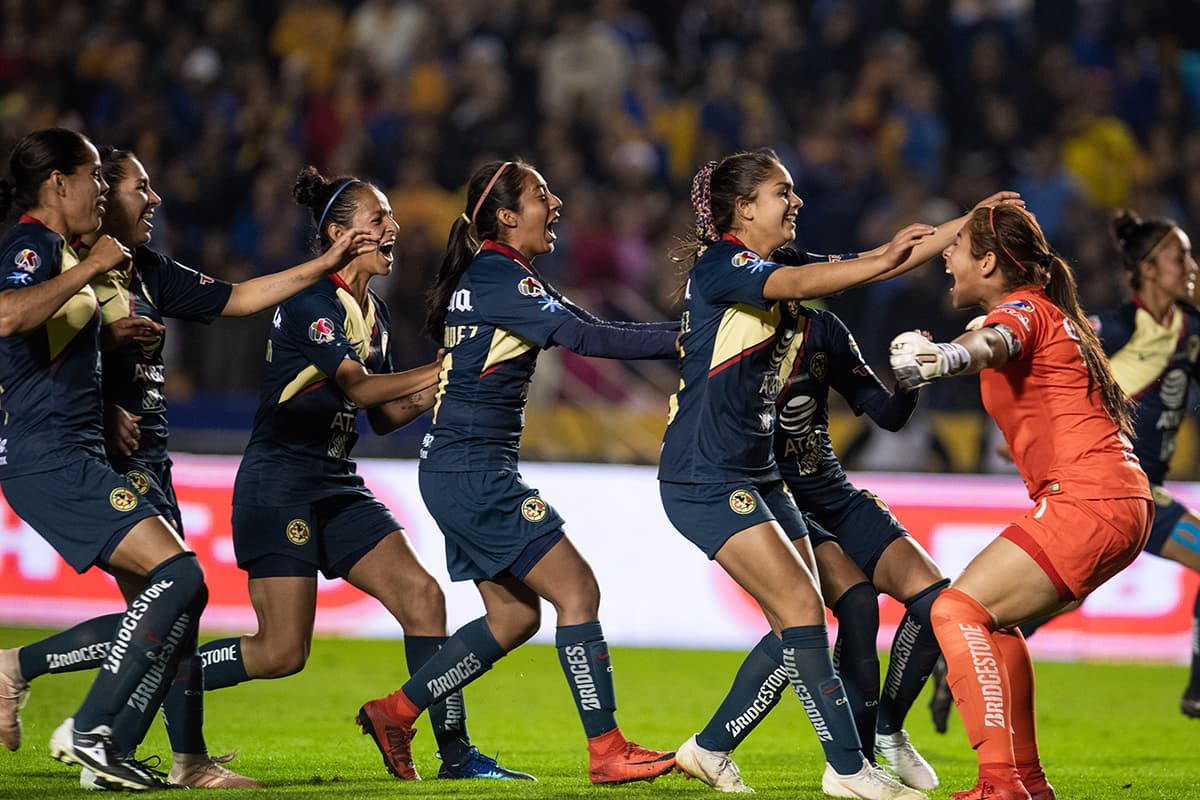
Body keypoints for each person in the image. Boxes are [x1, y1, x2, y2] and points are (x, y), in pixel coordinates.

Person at [0, 145, 381, 787]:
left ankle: (152, 752)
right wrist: (103, 404)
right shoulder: (60, 255)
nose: (152, 199)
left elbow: (237, 298)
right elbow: (17, 331)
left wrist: (323, 262)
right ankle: (82, 718)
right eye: (130, 186)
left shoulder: (140, 268)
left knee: (171, 611)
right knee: (175, 591)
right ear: (71, 186)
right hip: (90, 456)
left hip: (138, 451)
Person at [189, 166, 533, 782]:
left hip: (335, 483)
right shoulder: (311, 301)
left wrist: (446, 388)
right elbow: (357, 384)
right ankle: (163, 675)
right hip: (281, 483)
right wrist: (451, 364)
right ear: (342, 235)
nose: (395, 228)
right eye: (380, 219)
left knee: (423, 598)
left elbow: (383, 414)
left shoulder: (370, 311)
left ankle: (455, 755)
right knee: (281, 652)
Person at [672, 189, 1021, 795]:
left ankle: (884, 731)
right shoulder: (737, 315)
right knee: (847, 607)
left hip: (831, 487)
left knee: (937, 601)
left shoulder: (824, 331)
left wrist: (911, 379)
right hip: (777, 491)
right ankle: (848, 759)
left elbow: (884, 414)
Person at [354, 159, 680, 787]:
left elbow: (583, 330)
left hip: (456, 468)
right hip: (474, 470)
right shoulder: (502, 276)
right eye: (540, 195)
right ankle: (607, 749)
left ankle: (395, 712)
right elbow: (585, 338)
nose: (555, 202)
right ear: (505, 215)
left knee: (515, 619)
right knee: (577, 590)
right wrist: (690, 336)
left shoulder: (504, 276)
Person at [887, 203, 1152, 800]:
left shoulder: (1023, 309)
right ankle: (1025, 781)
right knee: (992, 621)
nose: (947, 259)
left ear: (987, 261)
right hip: (1117, 499)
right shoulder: (1051, 310)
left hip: (1087, 500)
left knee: (954, 611)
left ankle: (1001, 782)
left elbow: (996, 342)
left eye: (957, 249)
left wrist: (943, 358)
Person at [928, 210, 1200, 730]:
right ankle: (963, 680)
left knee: (970, 611)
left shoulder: (1191, 332)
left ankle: (969, 703)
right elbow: (1025, 353)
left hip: (1107, 489)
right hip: (1122, 488)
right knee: (1010, 613)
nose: (1190, 265)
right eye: (1178, 255)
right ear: (1145, 268)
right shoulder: (1107, 326)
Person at [0, 127, 211, 791]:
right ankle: (91, 731)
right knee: (178, 577)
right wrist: (92, 271)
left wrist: (105, 378)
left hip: (74, 448)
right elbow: (6, 315)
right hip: (51, 457)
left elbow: (48, 355)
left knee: (179, 588)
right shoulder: (32, 245)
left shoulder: (60, 251)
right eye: (93, 175)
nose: (99, 188)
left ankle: (79, 719)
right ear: (58, 182)